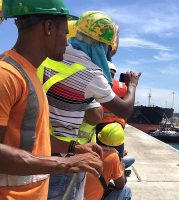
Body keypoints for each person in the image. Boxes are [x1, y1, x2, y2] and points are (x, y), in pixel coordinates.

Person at [0, 1, 104, 199]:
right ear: (48, 27)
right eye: (65, 33)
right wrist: (65, 164)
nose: (67, 42)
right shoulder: (6, 74)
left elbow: (32, 139)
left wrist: (73, 149)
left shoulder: (30, 73)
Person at [38, 11, 140, 199]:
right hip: (63, 158)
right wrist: (132, 85)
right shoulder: (91, 74)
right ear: (102, 47)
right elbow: (125, 110)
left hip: (36, 149)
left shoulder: (51, 55)